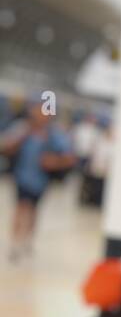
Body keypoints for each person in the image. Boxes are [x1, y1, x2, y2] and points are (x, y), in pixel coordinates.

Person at [0, 101, 76, 261]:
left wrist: (54, 161)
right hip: (21, 177)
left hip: (41, 181)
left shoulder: (54, 135)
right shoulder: (22, 128)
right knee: (21, 208)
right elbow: (5, 146)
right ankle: (15, 242)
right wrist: (20, 140)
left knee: (33, 210)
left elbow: (70, 158)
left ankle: (27, 240)